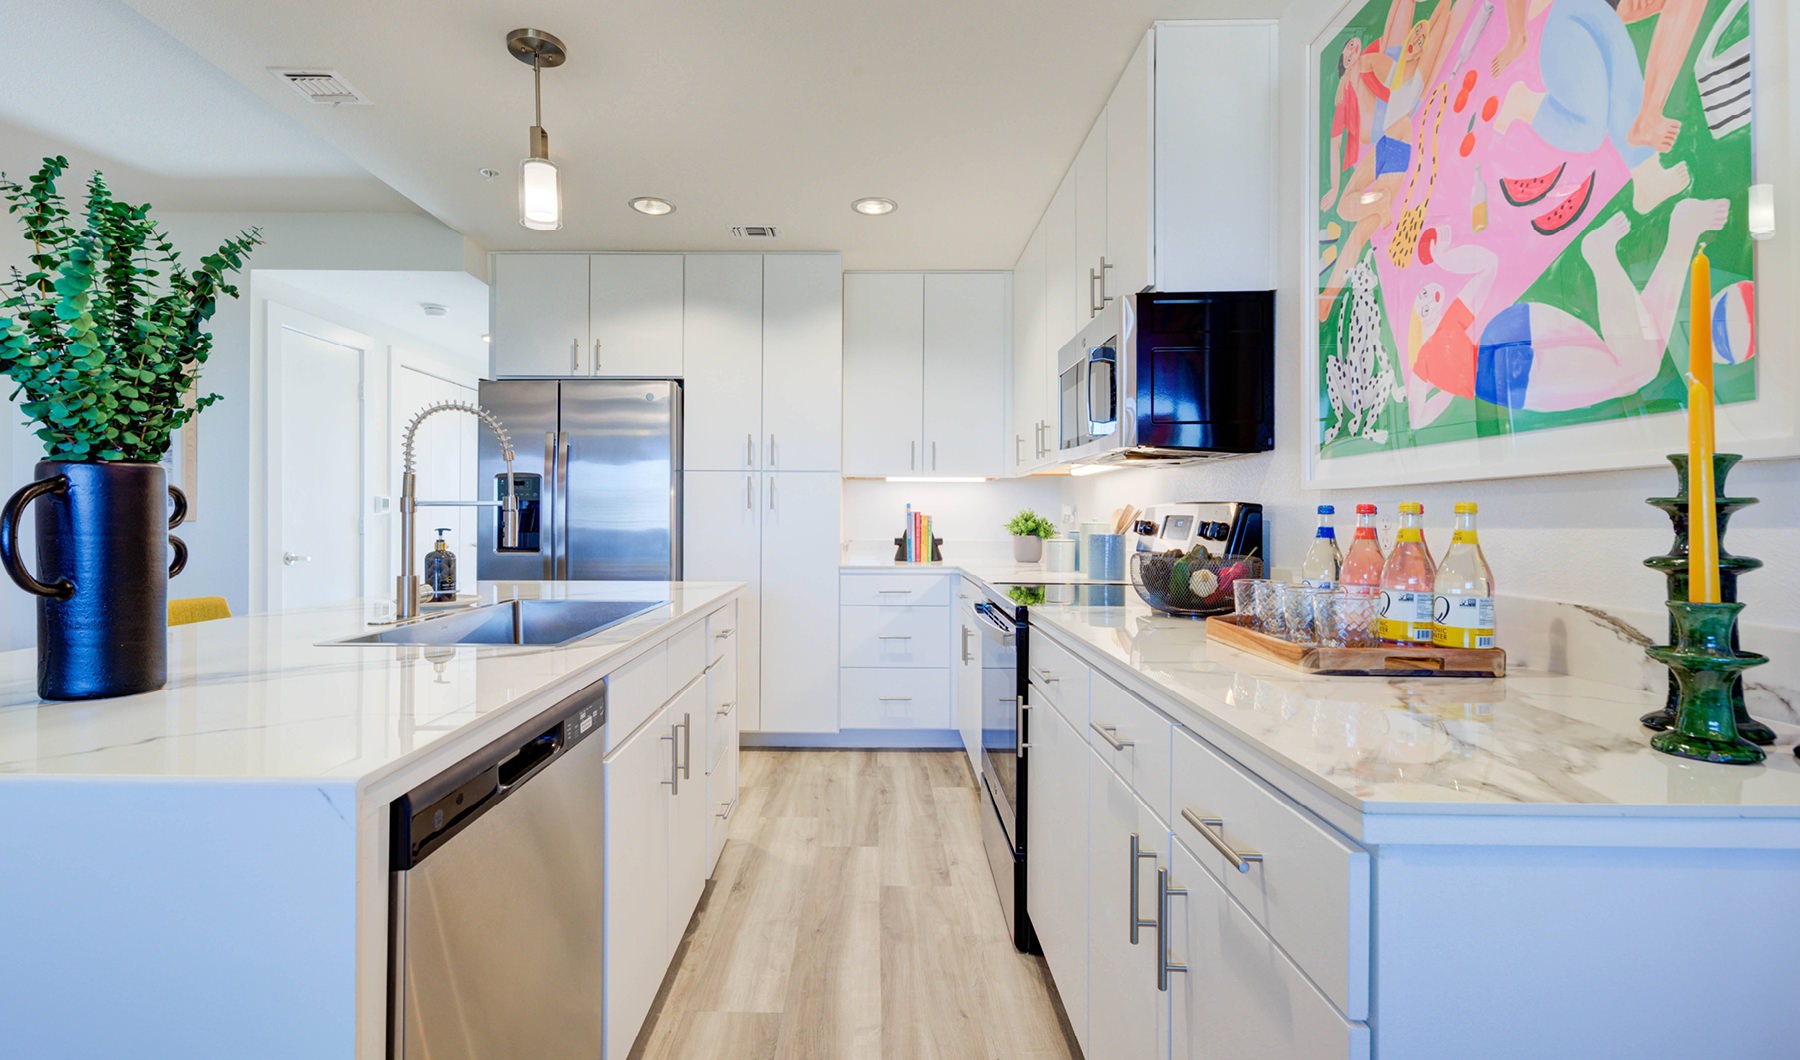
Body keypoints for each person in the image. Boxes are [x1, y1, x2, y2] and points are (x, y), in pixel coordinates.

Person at [1403, 196, 1728, 424]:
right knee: (1638, 361)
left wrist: (1446, 391)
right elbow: (1487, 267)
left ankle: (1650, 243)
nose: (1432, 302)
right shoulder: (1446, 328)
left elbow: (1417, 420)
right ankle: (1663, 238)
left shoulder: (1423, 363)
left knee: (1633, 372)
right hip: (1515, 327)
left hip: (1509, 372)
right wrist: (1446, 258)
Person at [1493, 0, 1709, 155]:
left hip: (1598, 17)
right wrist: (1517, 35)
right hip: (1572, 20)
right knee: (1587, 134)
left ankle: (1648, 117)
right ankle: (1526, 103)